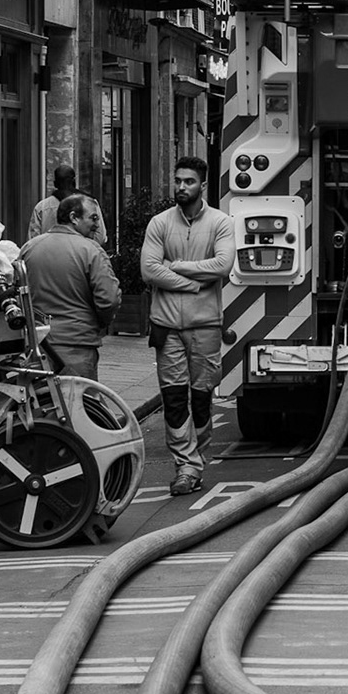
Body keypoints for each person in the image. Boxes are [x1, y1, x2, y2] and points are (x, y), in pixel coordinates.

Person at [140, 155, 234, 496]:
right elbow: (149, 270)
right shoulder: (160, 223)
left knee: (202, 398)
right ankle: (187, 466)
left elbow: (223, 265)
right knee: (175, 398)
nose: (181, 186)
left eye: (189, 181)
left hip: (205, 325)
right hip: (166, 326)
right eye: (178, 180)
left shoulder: (220, 222)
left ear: (202, 185)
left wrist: (177, 266)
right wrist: (194, 283)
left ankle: (197, 459)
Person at [18, 193, 119, 382]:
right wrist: (98, 323)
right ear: (74, 217)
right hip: (78, 345)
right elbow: (109, 299)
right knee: (77, 398)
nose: (97, 225)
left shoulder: (29, 248)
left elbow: (17, 294)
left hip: (38, 345)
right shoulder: (91, 250)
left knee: (42, 398)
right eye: (93, 218)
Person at [26, 161, 111, 246]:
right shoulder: (90, 203)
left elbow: (33, 241)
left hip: (48, 252)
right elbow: (100, 237)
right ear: (74, 182)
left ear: (55, 184)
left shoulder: (42, 207)